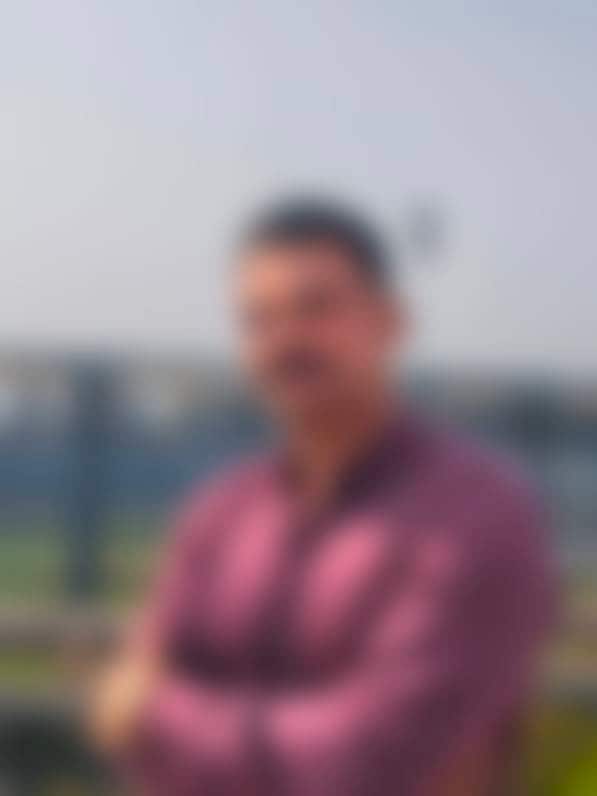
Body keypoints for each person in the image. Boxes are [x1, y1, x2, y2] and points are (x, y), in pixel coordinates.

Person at [90, 197, 554, 795]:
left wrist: (160, 714)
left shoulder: (478, 515)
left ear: (390, 321)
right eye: (258, 319)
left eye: (315, 308)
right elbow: (138, 679)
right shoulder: (223, 510)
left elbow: (378, 758)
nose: (285, 340)